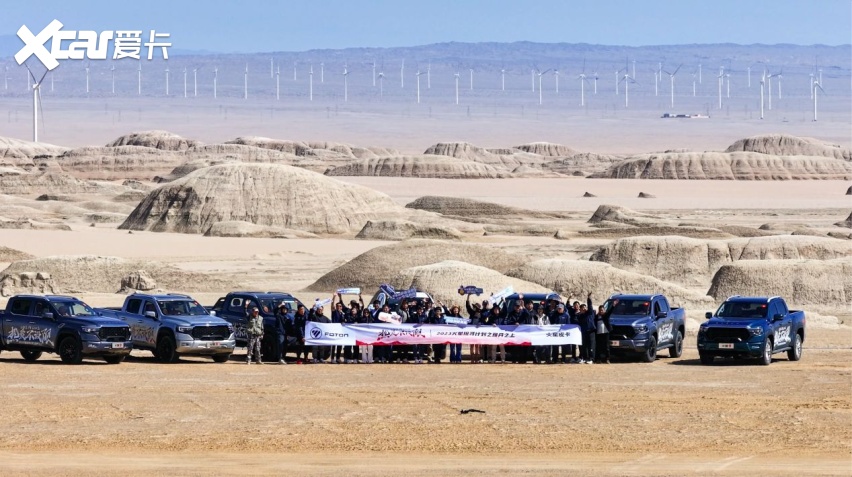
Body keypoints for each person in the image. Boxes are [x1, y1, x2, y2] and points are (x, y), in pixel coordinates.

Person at [595, 299, 617, 364]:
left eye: (602, 310)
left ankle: (607, 359)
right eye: (600, 310)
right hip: (599, 333)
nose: (601, 311)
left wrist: (613, 305)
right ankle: (598, 359)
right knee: (598, 347)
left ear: (604, 310)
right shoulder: (596, 317)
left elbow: (610, 311)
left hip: (606, 333)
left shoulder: (606, 316)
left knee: (606, 347)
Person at [577, 294, 596, 364]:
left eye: (585, 307)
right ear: (580, 309)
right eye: (582, 308)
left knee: (591, 345)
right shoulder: (580, 316)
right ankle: (585, 358)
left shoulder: (590, 313)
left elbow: (590, 306)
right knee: (584, 346)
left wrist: (589, 298)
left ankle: (591, 359)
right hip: (584, 332)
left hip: (591, 331)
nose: (584, 309)